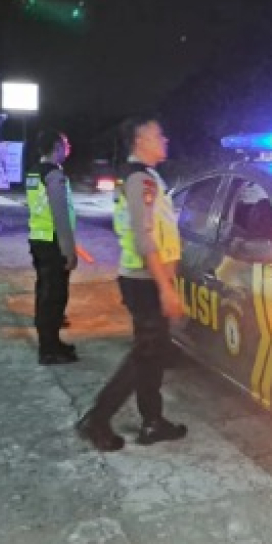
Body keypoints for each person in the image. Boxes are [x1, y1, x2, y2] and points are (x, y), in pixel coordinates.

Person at [76, 116, 186, 451]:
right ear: (140, 141)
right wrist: (165, 288)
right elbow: (143, 238)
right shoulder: (140, 180)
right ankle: (97, 419)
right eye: (157, 135)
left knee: (153, 354)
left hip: (146, 278)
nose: (164, 140)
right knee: (144, 356)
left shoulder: (146, 177)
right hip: (144, 281)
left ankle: (152, 421)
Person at [26, 129, 78, 365]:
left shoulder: (33, 173)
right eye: (65, 144)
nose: (68, 148)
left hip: (38, 239)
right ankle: (49, 349)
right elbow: (61, 216)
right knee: (55, 297)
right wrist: (69, 250)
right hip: (53, 242)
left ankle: (51, 343)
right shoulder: (54, 175)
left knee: (45, 294)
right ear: (56, 147)